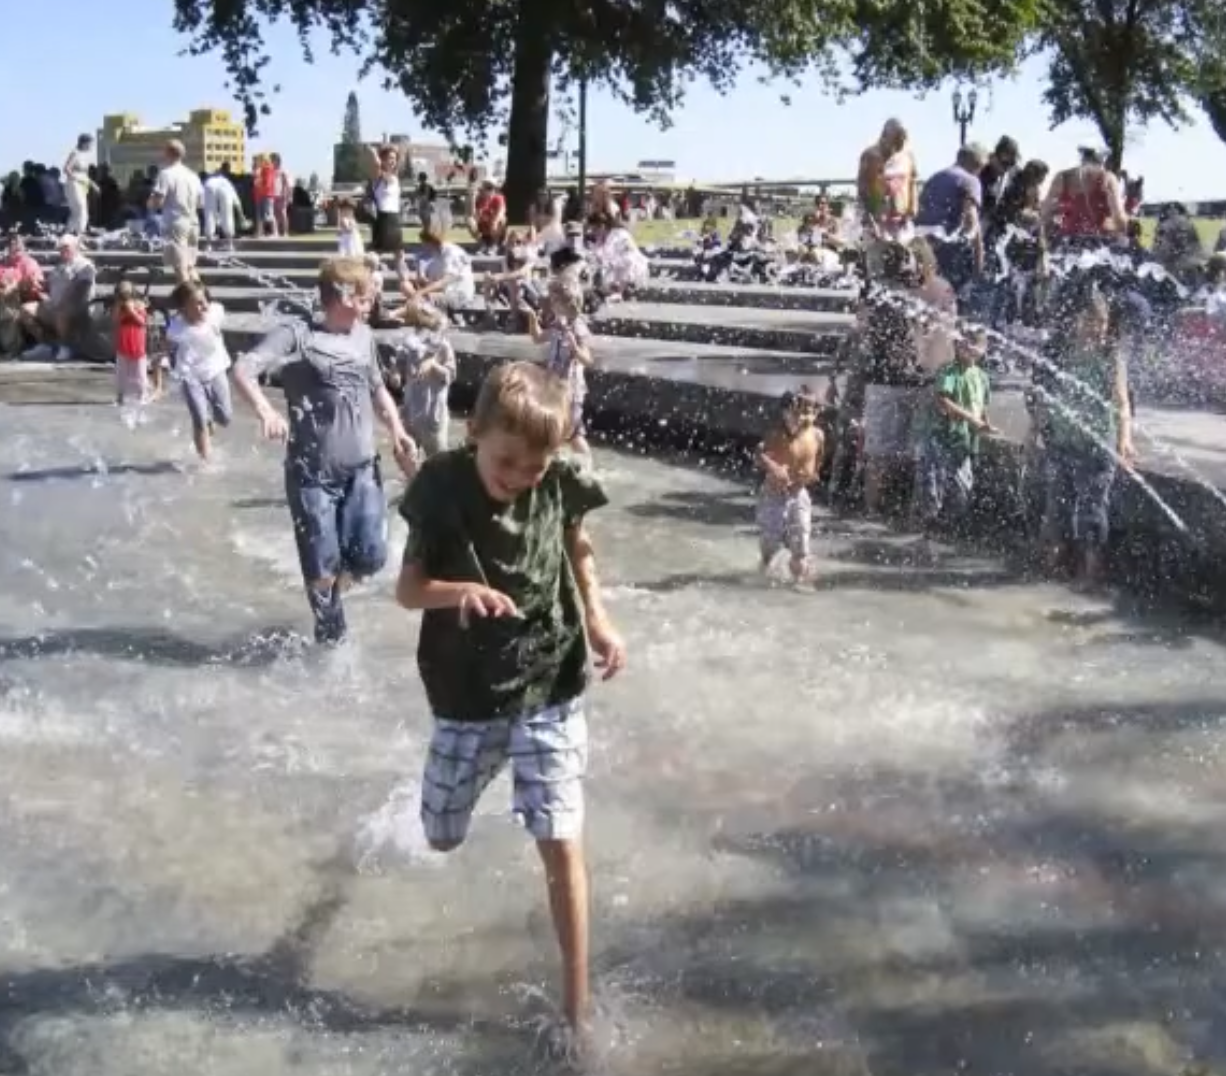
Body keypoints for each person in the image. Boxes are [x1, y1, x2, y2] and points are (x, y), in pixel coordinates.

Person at [394, 359, 626, 1042]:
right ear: (474, 432)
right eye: (508, 460)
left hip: (550, 681)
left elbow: (578, 550)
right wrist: (458, 593)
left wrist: (601, 619)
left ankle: (575, 1012)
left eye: (535, 464)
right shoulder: (440, 487)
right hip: (466, 692)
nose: (522, 475)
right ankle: (485, 777)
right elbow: (407, 592)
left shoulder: (556, 480)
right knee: (440, 837)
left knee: (560, 841)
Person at [233, 256, 417, 644]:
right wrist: (266, 411)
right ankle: (331, 644)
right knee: (321, 570)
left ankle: (335, 586)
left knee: (372, 557)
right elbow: (243, 369)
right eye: (366, 295)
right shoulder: (297, 336)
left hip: (362, 468)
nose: (372, 302)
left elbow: (377, 388)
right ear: (346, 295)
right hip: (311, 475)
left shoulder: (364, 336)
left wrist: (398, 430)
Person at [1035, 281, 1135, 583]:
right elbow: (1045, 396)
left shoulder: (1110, 355)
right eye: (1092, 320)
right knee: (1057, 508)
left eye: (1103, 321)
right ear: (1076, 319)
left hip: (1095, 445)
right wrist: (1034, 432)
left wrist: (1124, 441)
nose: (1099, 327)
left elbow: (1122, 402)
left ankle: (1090, 573)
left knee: (1092, 511)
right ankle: (1052, 569)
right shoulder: (1060, 350)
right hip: (1062, 441)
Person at [914, 329, 993, 531]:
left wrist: (986, 424)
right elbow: (943, 401)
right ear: (956, 346)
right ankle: (929, 528)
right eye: (964, 343)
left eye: (974, 344)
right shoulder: (948, 371)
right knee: (933, 485)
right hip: (940, 437)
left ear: (983, 350)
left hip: (963, 441)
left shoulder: (982, 377)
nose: (968, 348)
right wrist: (973, 419)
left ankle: (951, 526)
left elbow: (981, 406)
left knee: (962, 486)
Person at [525, 275, 594, 461]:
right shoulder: (557, 324)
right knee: (554, 427)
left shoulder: (578, 328)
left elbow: (588, 360)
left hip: (571, 389)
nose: (550, 302)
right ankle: (555, 463)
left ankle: (587, 468)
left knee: (573, 433)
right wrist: (532, 319)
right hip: (554, 385)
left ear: (568, 302)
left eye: (554, 299)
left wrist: (575, 349)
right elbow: (537, 338)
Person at [756, 388, 823, 582]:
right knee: (770, 544)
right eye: (796, 412)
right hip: (773, 493)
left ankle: (801, 580)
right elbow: (758, 455)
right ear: (784, 413)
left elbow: (816, 460)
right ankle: (765, 572)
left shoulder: (817, 435)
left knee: (801, 544)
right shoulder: (775, 433)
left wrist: (811, 475)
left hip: (799, 493)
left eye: (808, 411)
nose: (801, 418)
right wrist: (774, 467)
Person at [166, 280, 233, 462]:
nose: (204, 306)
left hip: (216, 371)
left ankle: (210, 420)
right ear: (184, 308)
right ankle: (205, 461)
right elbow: (169, 350)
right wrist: (169, 368)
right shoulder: (177, 328)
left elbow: (206, 298)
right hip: (191, 378)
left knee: (225, 418)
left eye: (205, 301)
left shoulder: (215, 313)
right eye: (197, 303)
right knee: (199, 421)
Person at [914, 143, 987, 299]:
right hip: (947, 251)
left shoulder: (934, 178)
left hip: (922, 246)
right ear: (978, 165)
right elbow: (971, 220)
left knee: (926, 299)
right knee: (951, 300)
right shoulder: (971, 180)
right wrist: (978, 261)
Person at [149, 140, 203, 285]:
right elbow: (200, 203)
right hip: (193, 222)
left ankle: (189, 304)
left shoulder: (165, 174)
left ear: (168, 153)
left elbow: (158, 202)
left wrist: (150, 203)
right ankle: (203, 299)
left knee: (180, 268)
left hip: (175, 223)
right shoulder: (193, 175)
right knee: (191, 266)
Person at [112, 280, 150, 408]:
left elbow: (142, 322)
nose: (124, 297)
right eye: (121, 294)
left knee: (140, 372)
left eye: (126, 293)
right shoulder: (118, 306)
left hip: (137, 343)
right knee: (121, 373)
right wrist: (122, 310)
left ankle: (142, 394)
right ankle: (120, 397)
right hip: (123, 343)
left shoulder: (139, 304)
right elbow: (116, 321)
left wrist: (132, 311)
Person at [366, 145, 404, 258]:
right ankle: (367, 274)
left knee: (399, 255)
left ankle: (404, 276)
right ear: (383, 159)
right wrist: (374, 153)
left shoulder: (395, 178)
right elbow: (377, 165)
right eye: (389, 158)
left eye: (394, 158)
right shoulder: (378, 176)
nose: (392, 161)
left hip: (395, 218)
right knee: (377, 254)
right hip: (383, 218)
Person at [63, 134, 98, 236]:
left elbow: (84, 174)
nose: (91, 146)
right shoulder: (75, 153)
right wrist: (78, 179)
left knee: (77, 213)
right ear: (84, 143)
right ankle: (79, 236)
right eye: (91, 143)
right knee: (81, 211)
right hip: (74, 184)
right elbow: (66, 168)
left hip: (81, 186)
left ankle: (68, 235)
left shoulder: (84, 155)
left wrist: (92, 184)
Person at [203, 165, 244, 250]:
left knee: (210, 214)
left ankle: (209, 245)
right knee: (227, 214)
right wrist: (241, 215)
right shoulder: (226, 182)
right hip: (224, 189)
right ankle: (230, 243)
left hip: (209, 187)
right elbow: (236, 201)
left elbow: (202, 202)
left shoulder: (208, 181)